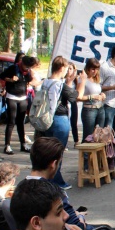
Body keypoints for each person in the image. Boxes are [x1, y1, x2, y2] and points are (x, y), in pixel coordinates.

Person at [41, 56, 77, 190]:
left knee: (49, 151)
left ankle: (48, 178)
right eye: (67, 68)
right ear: (62, 68)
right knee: (57, 151)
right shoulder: (60, 84)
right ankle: (57, 181)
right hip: (59, 118)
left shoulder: (46, 81)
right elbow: (74, 96)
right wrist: (75, 82)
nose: (68, 72)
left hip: (47, 119)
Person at [0, 55, 37, 155]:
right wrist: (11, 80)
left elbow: (29, 80)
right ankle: (7, 145)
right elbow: (2, 76)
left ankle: (23, 144)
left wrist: (31, 75)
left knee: (21, 122)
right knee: (11, 121)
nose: (27, 69)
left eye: (29, 67)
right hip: (12, 96)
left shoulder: (28, 71)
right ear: (22, 64)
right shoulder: (13, 68)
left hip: (22, 97)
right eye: (26, 67)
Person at [76, 58, 107, 142]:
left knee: (99, 135)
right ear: (88, 68)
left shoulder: (96, 79)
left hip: (100, 108)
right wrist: (92, 97)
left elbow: (98, 91)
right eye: (93, 69)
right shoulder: (82, 79)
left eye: (97, 69)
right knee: (88, 136)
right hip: (89, 109)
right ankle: (86, 155)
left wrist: (102, 95)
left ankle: (97, 154)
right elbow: (78, 97)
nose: (95, 72)